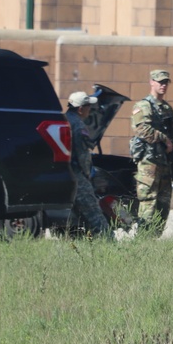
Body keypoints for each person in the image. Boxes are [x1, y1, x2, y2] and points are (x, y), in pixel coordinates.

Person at [130, 69, 173, 235]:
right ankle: (143, 241)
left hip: (166, 163)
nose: (163, 85)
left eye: (166, 82)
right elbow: (141, 129)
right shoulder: (143, 106)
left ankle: (154, 241)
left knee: (164, 204)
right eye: (160, 82)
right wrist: (165, 139)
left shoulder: (166, 108)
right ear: (151, 82)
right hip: (149, 163)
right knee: (148, 202)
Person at [65, 91, 111, 237]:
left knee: (73, 215)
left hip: (63, 173)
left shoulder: (64, 119)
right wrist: (87, 176)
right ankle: (108, 243)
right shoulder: (79, 126)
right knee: (95, 214)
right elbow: (83, 156)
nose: (90, 109)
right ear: (80, 109)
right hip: (76, 175)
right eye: (88, 106)